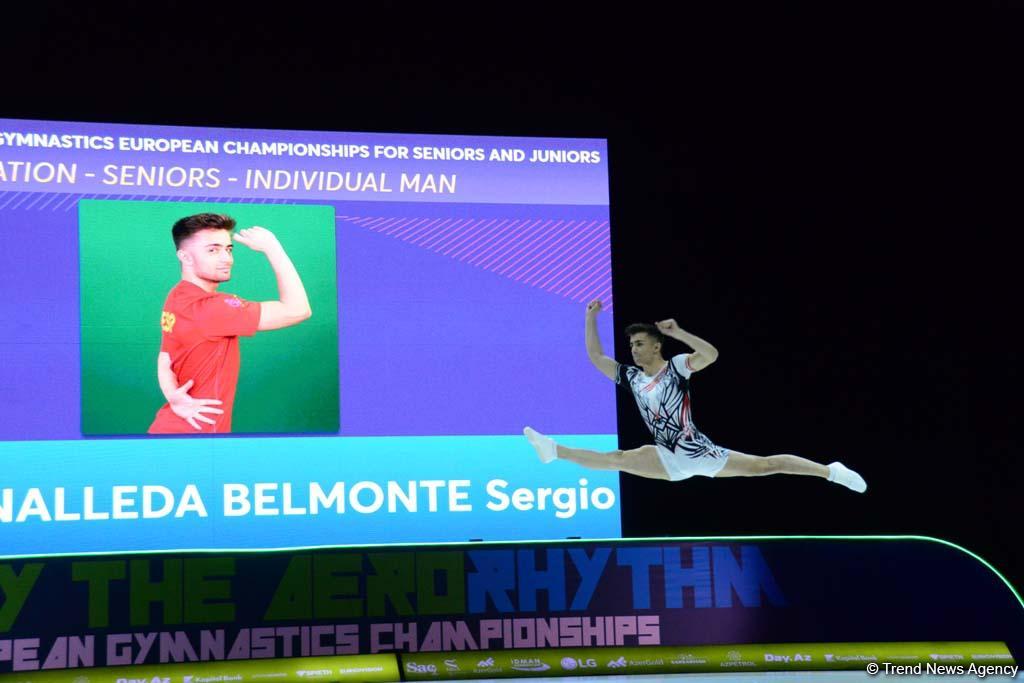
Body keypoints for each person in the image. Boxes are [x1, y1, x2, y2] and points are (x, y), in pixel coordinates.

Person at [524, 300, 867, 492]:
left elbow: (712, 355)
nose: (633, 349)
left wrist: (681, 332)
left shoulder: (675, 367)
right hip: (667, 458)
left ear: (657, 345)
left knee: (767, 465)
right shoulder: (629, 376)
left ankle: (830, 471)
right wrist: (590, 319)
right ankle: (553, 450)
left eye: (639, 343)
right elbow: (597, 358)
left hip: (703, 453)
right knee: (616, 459)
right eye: (631, 345)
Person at [148, 213, 312, 434]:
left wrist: (173, 397)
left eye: (229, 248)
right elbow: (298, 310)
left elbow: (166, 355)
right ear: (185, 257)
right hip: (199, 438)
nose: (227, 258)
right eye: (213, 250)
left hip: (169, 428)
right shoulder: (213, 308)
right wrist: (273, 248)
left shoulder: (177, 295)